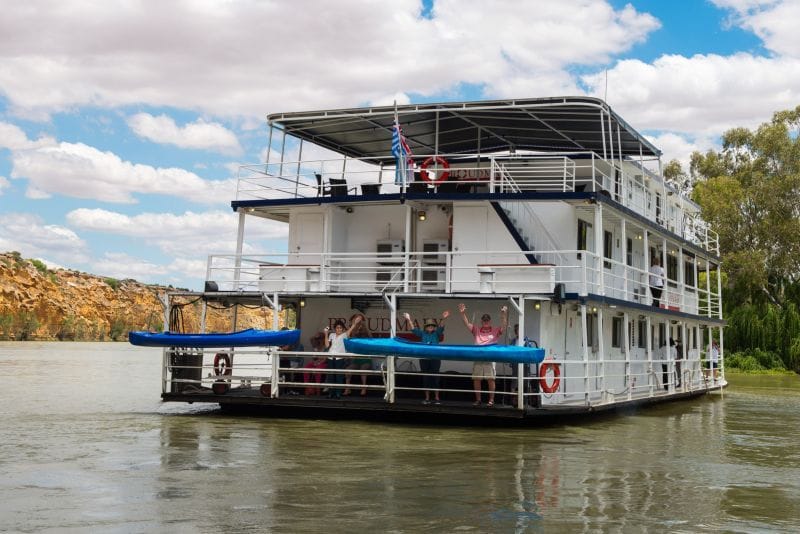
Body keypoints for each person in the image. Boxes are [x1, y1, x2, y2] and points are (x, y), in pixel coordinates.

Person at [459, 302, 508, 407]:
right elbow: (467, 323)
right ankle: (478, 400)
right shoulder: (476, 329)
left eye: (487, 320)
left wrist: (504, 315)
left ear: (490, 321)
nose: (485, 322)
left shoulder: (495, 330)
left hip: (490, 358)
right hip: (478, 357)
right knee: (477, 379)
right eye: (484, 320)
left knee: (491, 379)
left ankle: (491, 400)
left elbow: (504, 326)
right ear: (481, 321)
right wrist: (462, 313)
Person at [403, 310, 450, 405]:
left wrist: (444, 318)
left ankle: (437, 398)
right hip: (424, 359)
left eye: (432, 325)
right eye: (429, 326)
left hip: (435, 359)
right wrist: (408, 319)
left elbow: (441, 326)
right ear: (426, 327)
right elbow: (413, 329)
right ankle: (427, 398)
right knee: (426, 378)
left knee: (435, 378)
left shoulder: (436, 333)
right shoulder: (422, 333)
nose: (430, 327)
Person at [324, 316, 362, 399]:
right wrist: (326, 334)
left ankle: (338, 393)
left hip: (340, 358)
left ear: (342, 329)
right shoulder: (331, 335)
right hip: (330, 357)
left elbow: (351, 329)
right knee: (331, 376)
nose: (339, 329)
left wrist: (355, 323)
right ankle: (331, 393)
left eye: (340, 328)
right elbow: (327, 345)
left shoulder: (344, 335)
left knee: (339, 376)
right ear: (335, 329)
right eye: (337, 328)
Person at [345, 313, 372, 396]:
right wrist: (354, 324)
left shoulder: (365, 329)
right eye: (357, 318)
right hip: (356, 359)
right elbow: (346, 336)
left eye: (360, 318)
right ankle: (347, 389)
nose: (358, 320)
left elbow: (371, 337)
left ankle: (364, 389)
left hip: (366, 358)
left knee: (363, 370)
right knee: (347, 370)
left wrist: (364, 326)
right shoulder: (353, 329)